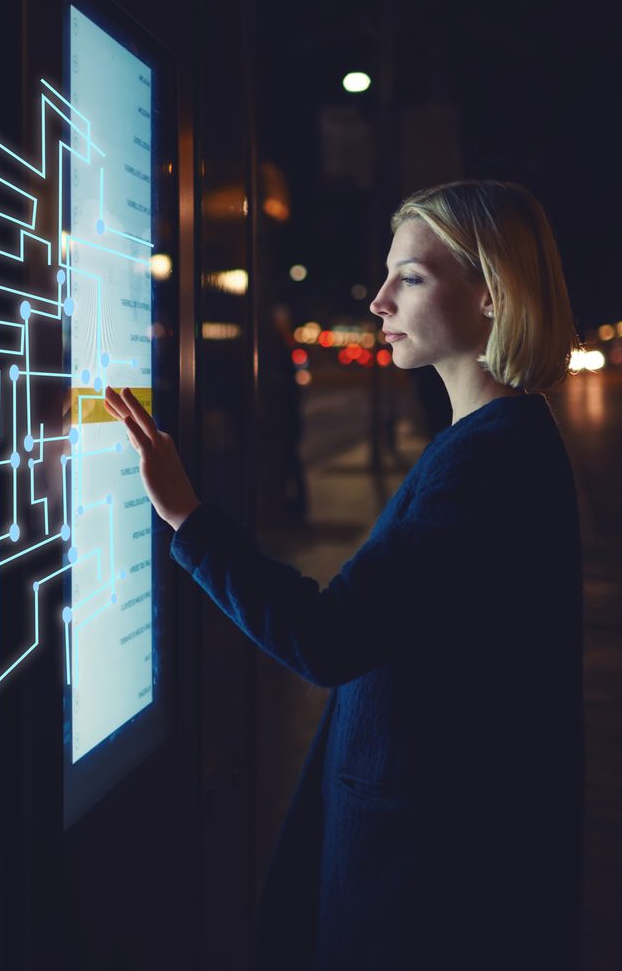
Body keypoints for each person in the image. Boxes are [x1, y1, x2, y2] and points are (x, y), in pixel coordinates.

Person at [104, 180, 584, 970]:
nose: (380, 301)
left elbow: (326, 637)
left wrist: (186, 514)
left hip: (427, 879)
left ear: (493, 296)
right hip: (445, 853)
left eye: (411, 278)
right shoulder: (497, 441)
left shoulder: (484, 461)